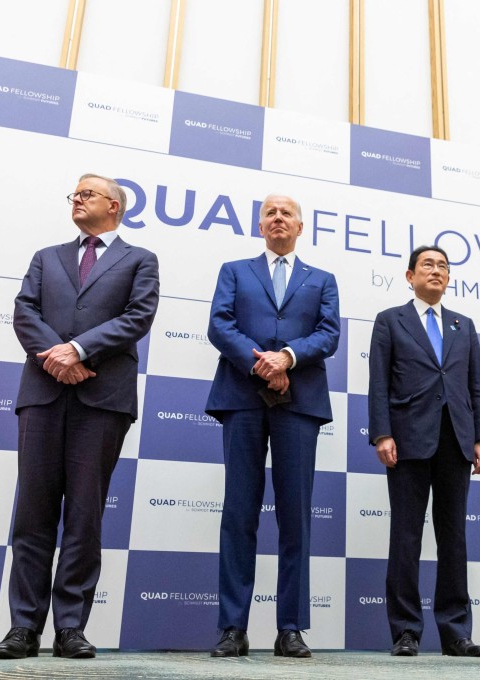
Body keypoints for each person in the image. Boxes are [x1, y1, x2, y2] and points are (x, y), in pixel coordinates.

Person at [0, 174, 159, 660]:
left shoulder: (140, 260)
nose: (77, 199)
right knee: (33, 514)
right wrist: (56, 356)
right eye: (75, 194)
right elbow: (25, 311)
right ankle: (23, 627)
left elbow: (137, 317)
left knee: (84, 515)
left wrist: (80, 349)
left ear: (114, 205)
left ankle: (70, 628)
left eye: (87, 193)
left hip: (102, 398)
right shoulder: (47, 256)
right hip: (43, 392)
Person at [205, 193, 340, 658]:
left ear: (301, 227)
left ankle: (290, 628)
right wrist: (260, 361)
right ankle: (232, 628)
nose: (278, 218)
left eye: (287, 213)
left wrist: (288, 357)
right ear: (260, 225)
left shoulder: (322, 279)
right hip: (242, 397)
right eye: (270, 213)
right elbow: (219, 325)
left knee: (295, 517)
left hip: (299, 401)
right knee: (238, 513)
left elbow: (329, 333)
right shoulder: (234, 271)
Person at [368, 245, 480, 657]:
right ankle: (406, 630)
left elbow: (478, 386)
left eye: (443, 266)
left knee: (453, 538)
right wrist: (382, 434)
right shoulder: (390, 320)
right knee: (406, 536)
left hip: (456, 441)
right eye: (428, 265)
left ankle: (456, 632)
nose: (436, 271)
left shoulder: (464, 325)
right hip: (406, 440)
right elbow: (379, 384)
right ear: (410, 276)